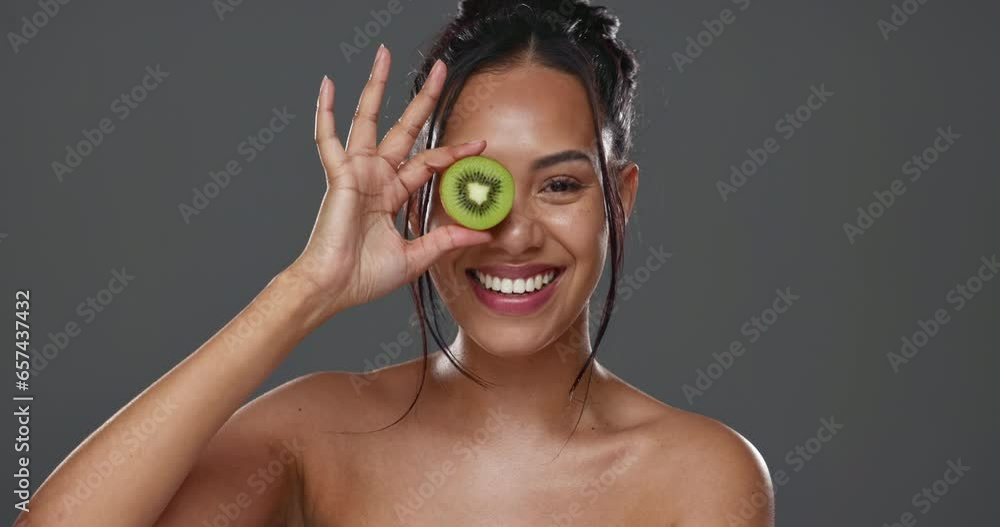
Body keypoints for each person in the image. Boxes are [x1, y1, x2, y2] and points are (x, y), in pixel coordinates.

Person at [17, 1, 774, 525]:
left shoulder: (700, 472)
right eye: (479, 188)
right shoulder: (321, 434)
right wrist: (304, 291)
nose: (513, 234)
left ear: (622, 198)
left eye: (562, 185)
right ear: (421, 200)